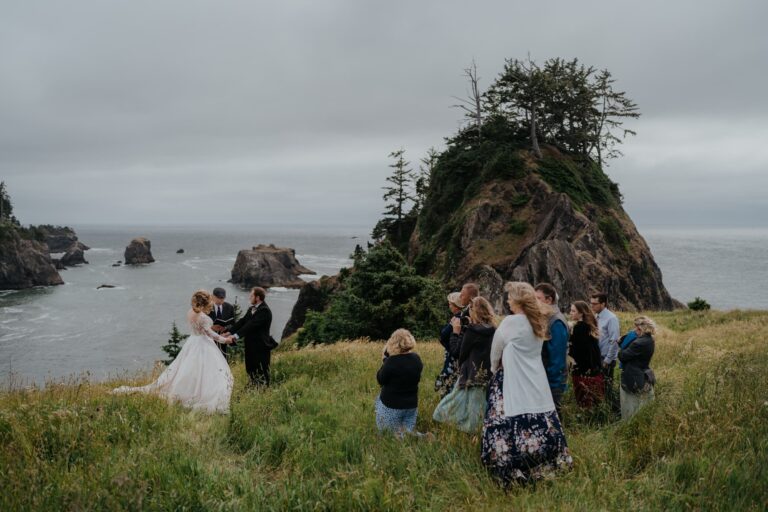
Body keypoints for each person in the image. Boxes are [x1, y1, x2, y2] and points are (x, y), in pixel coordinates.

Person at [481, 282, 572, 485]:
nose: (507, 300)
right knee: (543, 415)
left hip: (511, 377)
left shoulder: (511, 322)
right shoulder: (537, 320)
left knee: (502, 420)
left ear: (517, 300)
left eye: (509, 297)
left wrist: (495, 370)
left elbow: (495, 352)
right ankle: (544, 461)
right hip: (535, 378)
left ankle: (510, 465)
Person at [112, 290, 234, 413]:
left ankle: (189, 390)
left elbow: (200, 329)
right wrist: (225, 340)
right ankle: (201, 394)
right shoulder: (203, 318)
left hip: (192, 342)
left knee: (189, 369)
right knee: (211, 371)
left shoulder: (190, 312)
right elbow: (210, 333)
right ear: (205, 303)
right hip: (203, 344)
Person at [433, 296, 496, 432]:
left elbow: (457, 352)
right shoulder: (493, 329)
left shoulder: (472, 330)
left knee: (444, 409)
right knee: (477, 413)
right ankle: (472, 436)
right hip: (486, 377)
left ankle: (466, 436)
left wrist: (456, 332)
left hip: (469, 377)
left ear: (474, 311)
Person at [375, 329, 424, 438]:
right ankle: (414, 436)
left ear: (393, 343)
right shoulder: (417, 359)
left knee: (386, 434)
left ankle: (400, 436)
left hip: (392, 406)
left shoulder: (391, 362)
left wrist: (384, 361)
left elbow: (380, 379)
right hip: (411, 406)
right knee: (406, 431)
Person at [534, 283, 569, 417]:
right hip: (544, 379)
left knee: (553, 420)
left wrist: (552, 384)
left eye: (538, 298)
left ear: (549, 300)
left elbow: (557, 358)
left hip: (552, 382)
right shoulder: (546, 317)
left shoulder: (556, 321)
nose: (535, 302)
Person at [227, 287, 273, 386]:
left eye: (251, 295)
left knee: (261, 370)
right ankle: (252, 387)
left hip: (261, 346)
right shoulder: (252, 309)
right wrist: (229, 332)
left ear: (258, 297)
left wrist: (235, 336)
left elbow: (251, 325)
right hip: (250, 345)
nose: (249, 297)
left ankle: (263, 391)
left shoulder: (264, 310)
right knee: (250, 368)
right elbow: (243, 321)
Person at [618, 315, 657, 419]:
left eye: (637, 328)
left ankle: (628, 425)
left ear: (642, 328)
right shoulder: (650, 339)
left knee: (630, 406)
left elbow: (622, 356)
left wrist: (621, 347)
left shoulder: (639, 343)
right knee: (640, 405)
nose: (635, 330)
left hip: (632, 375)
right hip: (642, 372)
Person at [568, 300, 604, 408]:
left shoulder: (579, 328)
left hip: (582, 372)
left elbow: (576, 352)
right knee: (595, 402)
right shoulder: (590, 326)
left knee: (584, 402)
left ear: (581, 313)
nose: (570, 313)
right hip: (594, 370)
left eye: (573, 311)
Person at [591, 292, 621, 414]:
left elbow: (614, 341)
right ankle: (602, 411)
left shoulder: (611, 318)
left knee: (606, 388)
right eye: (591, 303)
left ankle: (613, 412)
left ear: (603, 304)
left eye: (595, 304)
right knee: (598, 386)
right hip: (598, 357)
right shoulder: (596, 316)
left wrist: (607, 360)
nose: (592, 306)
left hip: (606, 359)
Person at [435, 292, 463, 398]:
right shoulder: (464, 317)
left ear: (456, 306)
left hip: (453, 355)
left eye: (450, 304)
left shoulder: (457, 319)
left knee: (449, 383)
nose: (449, 306)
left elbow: (443, 336)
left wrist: (449, 346)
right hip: (457, 354)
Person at [209, 287, 235, 355]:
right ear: (212, 296)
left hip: (223, 339)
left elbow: (233, 324)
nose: (220, 300)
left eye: (222, 298)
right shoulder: (207, 307)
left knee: (223, 361)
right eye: (218, 298)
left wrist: (226, 329)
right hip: (209, 340)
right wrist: (212, 327)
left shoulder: (229, 307)